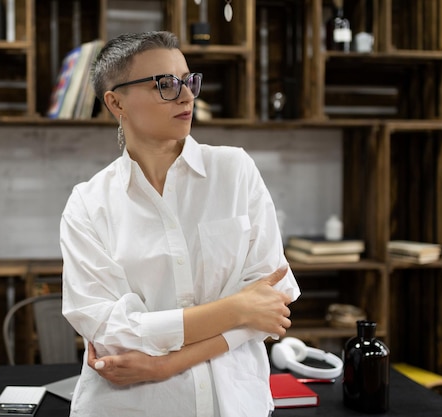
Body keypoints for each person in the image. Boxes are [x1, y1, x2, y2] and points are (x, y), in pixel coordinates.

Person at [60, 31, 301, 417]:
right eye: (165, 85)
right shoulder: (88, 204)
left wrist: (164, 363)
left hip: (235, 404)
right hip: (128, 406)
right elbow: (111, 333)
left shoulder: (234, 171)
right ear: (115, 101)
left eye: (188, 81)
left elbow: (271, 306)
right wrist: (238, 308)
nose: (187, 95)